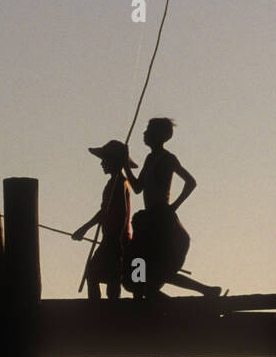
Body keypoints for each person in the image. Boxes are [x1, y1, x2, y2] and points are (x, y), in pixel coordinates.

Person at [123, 117, 195, 298]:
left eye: (148, 130)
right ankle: (206, 291)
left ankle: (147, 300)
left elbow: (191, 182)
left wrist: (173, 207)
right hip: (150, 218)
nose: (144, 133)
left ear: (158, 135)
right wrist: (125, 165)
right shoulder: (150, 158)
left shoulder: (168, 159)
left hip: (160, 219)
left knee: (148, 269)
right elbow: (138, 187)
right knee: (141, 271)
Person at [72, 139, 135, 301]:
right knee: (107, 276)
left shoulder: (118, 183)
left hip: (114, 239)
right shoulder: (117, 182)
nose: (101, 163)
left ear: (114, 161)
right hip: (114, 238)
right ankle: (106, 310)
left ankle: (99, 312)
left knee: (93, 274)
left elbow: (110, 213)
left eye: (105, 159)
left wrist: (84, 228)